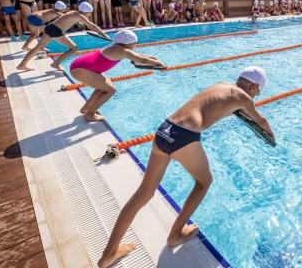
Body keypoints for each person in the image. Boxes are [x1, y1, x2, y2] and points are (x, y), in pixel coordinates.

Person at [96, 66, 274, 268]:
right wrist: (271, 138)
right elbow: (261, 119)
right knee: (204, 182)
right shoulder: (244, 97)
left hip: (165, 129)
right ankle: (175, 234)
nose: (255, 96)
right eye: (257, 93)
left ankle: (108, 255)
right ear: (254, 86)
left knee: (142, 194)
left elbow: (214, 108)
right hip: (183, 136)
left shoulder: (221, 85)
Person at [70, 30, 165, 122]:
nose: (135, 46)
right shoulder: (124, 51)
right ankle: (89, 115)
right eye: (135, 43)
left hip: (80, 65)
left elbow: (138, 56)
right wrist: (160, 63)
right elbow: (143, 60)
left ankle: (86, 108)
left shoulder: (117, 47)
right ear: (129, 44)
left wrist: (153, 58)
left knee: (104, 87)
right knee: (110, 90)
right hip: (82, 69)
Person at [17, 2, 108, 71]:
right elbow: (92, 26)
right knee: (74, 48)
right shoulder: (80, 15)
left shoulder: (74, 12)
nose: (90, 15)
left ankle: (22, 65)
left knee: (37, 47)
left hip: (50, 27)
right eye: (89, 13)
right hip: (56, 31)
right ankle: (56, 63)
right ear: (86, 12)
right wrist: (104, 34)